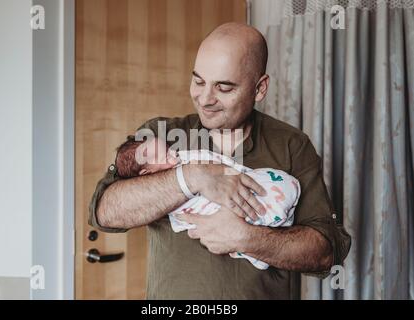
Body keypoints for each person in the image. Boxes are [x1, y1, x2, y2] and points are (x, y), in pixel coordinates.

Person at [89, 22, 351, 299]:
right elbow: (105, 212)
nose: (204, 99)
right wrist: (193, 177)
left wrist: (247, 238)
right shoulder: (160, 137)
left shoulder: (292, 145)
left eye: (223, 88)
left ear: (259, 88)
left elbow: (325, 252)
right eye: (198, 81)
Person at [114, 137, 301, 270]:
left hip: (260, 194)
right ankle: (272, 211)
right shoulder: (155, 194)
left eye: (168, 149)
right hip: (230, 213)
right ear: (146, 174)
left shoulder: (187, 157)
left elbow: (219, 166)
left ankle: (275, 205)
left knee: (257, 189)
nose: (172, 153)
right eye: (157, 155)